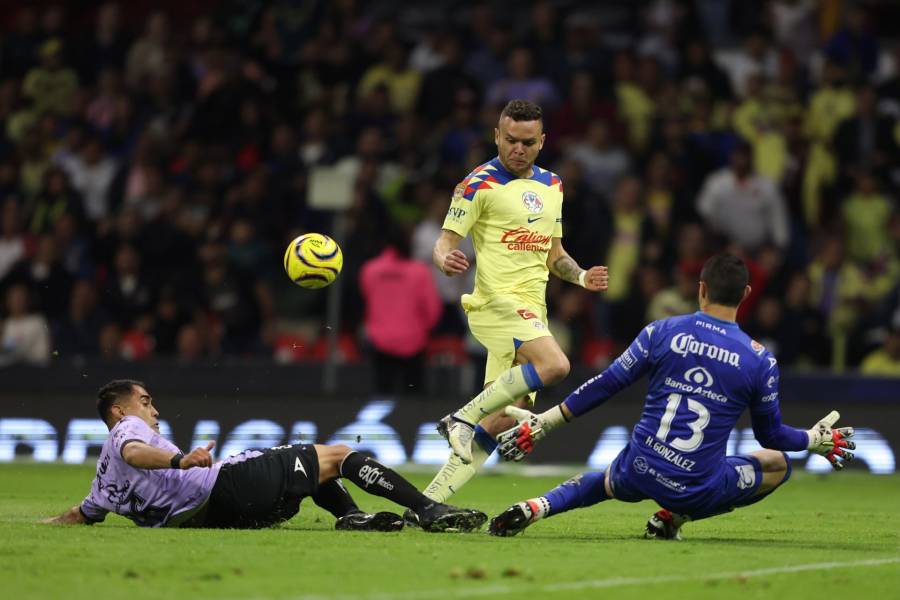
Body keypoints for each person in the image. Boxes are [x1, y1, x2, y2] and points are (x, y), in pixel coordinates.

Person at [488, 254, 855, 540]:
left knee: (603, 482)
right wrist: (814, 440)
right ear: (746, 295)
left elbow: (607, 384)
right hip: (697, 488)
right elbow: (771, 437)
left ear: (701, 289)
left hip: (640, 467)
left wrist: (546, 422)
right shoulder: (759, 360)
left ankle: (535, 506)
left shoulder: (661, 331)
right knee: (777, 464)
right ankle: (672, 517)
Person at [424, 99, 608, 507]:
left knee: (501, 421)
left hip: (531, 313)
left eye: (526, 142)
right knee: (556, 365)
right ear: (497, 136)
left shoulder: (553, 186)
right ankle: (460, 417)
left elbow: (554, 254)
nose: (517, 149)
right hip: (494, 305)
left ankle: (428, 502)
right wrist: (445, 260)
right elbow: (444, 242)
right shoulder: (476, 184)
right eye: (509, 140)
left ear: (541, 141)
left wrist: (580, 276)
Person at [43, 380, 487, 532]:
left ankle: (350, 515)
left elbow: (81, 514)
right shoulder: (127, 428)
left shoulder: (102, 483)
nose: (153, 409)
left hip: (210, 519)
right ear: (119, 411)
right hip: (224, 489)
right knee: (336, 454)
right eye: (145, 400)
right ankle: (428, 509)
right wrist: (181, 461)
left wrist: (44, 525)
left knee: (309, 471)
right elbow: (137, 452)